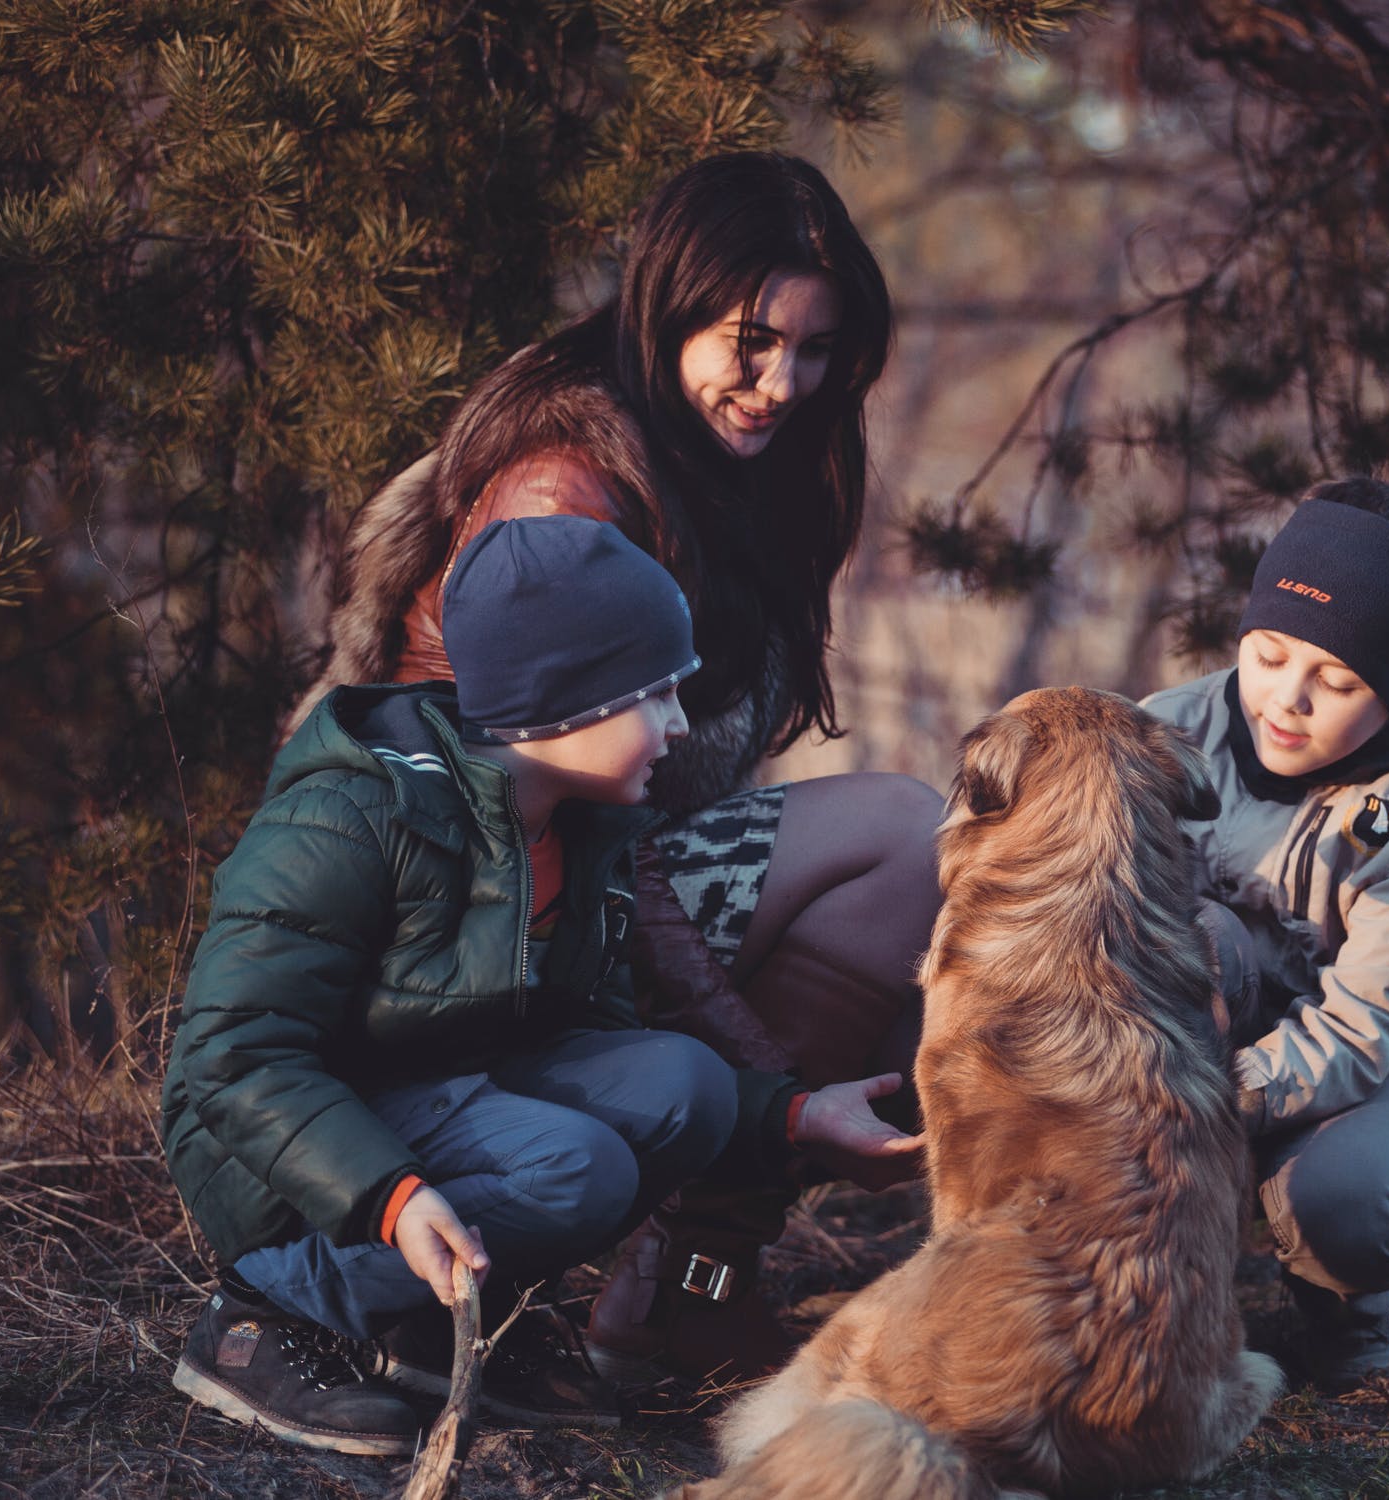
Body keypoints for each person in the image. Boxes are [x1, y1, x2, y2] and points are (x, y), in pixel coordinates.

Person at [290, 151, 944, 1384]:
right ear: (666, 306)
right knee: (902, 841)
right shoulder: (563, 490)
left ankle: (695, 1288)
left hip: (589, 886)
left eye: (812, 352)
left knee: (914, 852)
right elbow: (526, 830)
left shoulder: (733, 469)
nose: (779, 385)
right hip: (471, 927)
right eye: (748, 341)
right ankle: (666, 1275)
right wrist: (768, 1084)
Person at [163, 517, 921, 1456]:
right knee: (577, 1167)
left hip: (439, 1103)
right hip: (283, 1160)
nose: (681, 725)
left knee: (685, 1087)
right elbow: (231, 1056)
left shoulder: (576, 826)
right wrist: (391, 1198)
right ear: (560, 706)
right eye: (657, 696)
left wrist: (795, 1114)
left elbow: (602, 1044)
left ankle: (440, 1326)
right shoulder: (352, 816)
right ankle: (261, 1317)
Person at [1140, 477, 1389, 1391]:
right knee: (1202, 933)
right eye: (1267, 654)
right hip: (1189, 1038)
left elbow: (1368, 1028)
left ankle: (1350, 1317)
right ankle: (1123, 1295)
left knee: (1354, 1198)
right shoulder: (1164, 733)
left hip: (1368, 1081)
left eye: (1336, 680)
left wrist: (1205, 1101)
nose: (1286, 699)